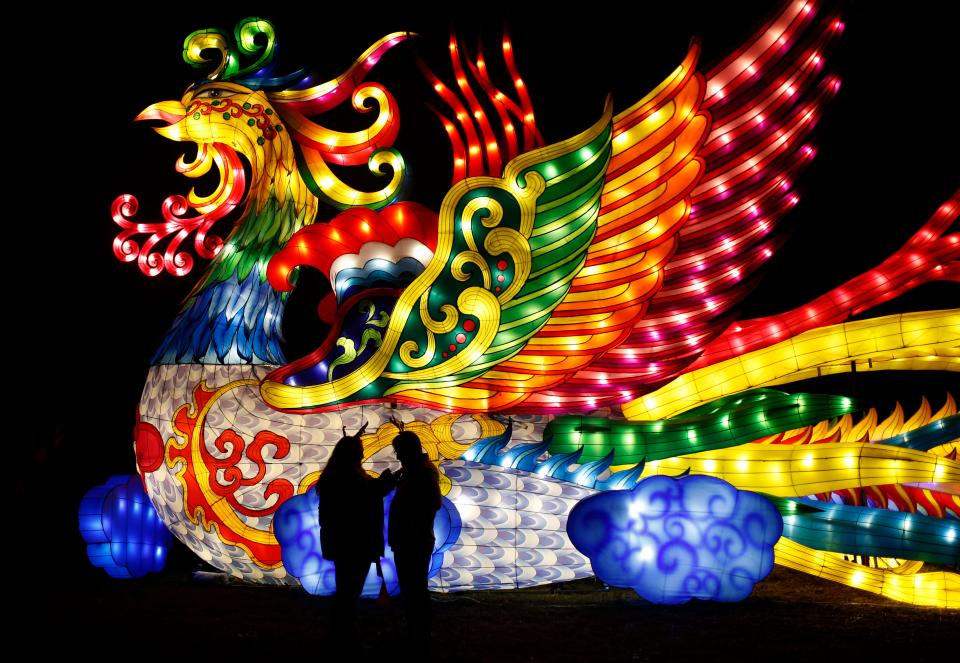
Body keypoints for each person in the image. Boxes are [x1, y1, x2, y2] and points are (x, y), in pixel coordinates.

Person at [316, 427, 395, 652]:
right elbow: (367, 495)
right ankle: (344, 638)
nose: (362, 455)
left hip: (341, 542)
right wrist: (386, 483)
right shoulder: (350, 477)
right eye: (359, 451)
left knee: (346, 590)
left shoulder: (335, 475)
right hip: (354, 542)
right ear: (351, 454)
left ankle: (340, 634)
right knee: (350, 591)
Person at [388, 428, 442, 651]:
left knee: (415, 587)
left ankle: (418, 632)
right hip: (410, 538)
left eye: (399, 451)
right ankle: (416, 630)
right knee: (413, 587)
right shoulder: (415, 470)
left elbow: (433, 503)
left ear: (409, 450)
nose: (398, 456)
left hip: (414, 539)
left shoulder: (422, 473)